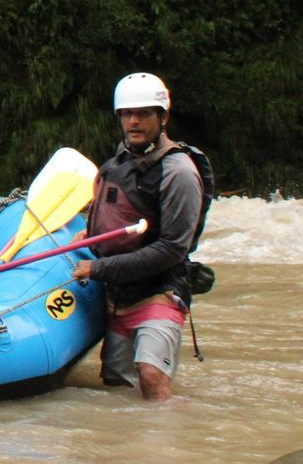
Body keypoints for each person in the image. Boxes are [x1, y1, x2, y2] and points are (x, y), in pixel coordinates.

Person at [71, 71, 212, 402]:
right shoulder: (116, 164)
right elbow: (111, 218)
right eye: (127, 114)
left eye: (144, 113)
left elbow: (171, 249)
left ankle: (164, 446)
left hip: (159, 293)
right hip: (118, 296)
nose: (134, 121)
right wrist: (88, 234)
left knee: (151, 376)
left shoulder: (178, 172)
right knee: (116, 387)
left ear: (162, 117)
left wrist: (98, 269)